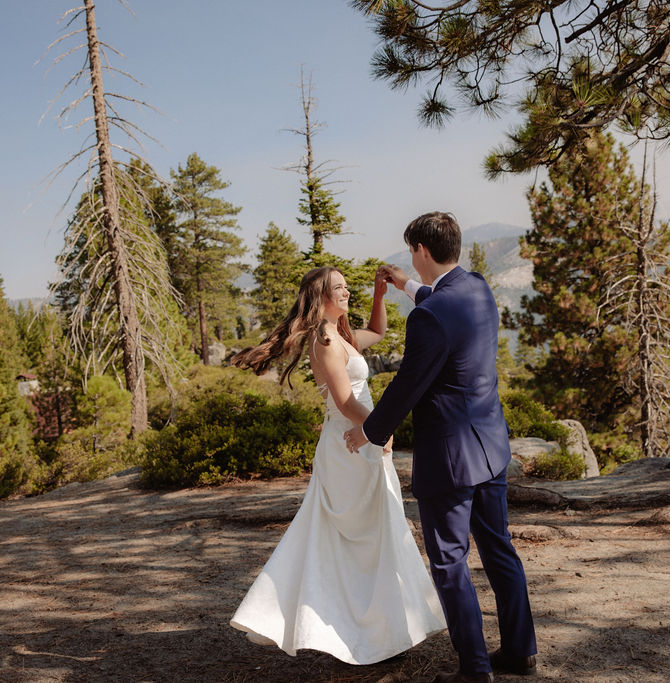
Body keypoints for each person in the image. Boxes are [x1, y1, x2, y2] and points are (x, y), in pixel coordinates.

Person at [345, 212, 537, 683]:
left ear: (423, 251)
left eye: (411, 251)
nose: (410, 257)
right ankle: (520, 650)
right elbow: (440, 303)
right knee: (499, 549)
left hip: (451, 459)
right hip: (491, 447)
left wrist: (369, 430)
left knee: (449, 563)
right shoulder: (477, 287)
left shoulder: (429, 318)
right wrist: (406, 285)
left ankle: (474, 671)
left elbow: (409, 384)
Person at [229, 266, 445, 665]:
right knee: (354, 537)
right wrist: (381, 428)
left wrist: (380, 294)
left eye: (347, 287)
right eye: (338, 289)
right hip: (349, 444)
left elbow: (377, 333)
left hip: (363, 439)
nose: (346, 293)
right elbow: (346, 403)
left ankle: (378, 628)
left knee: (373, 535)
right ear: (320, 297)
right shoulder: (326, 340)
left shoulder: (342, 335)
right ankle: (353, 628)